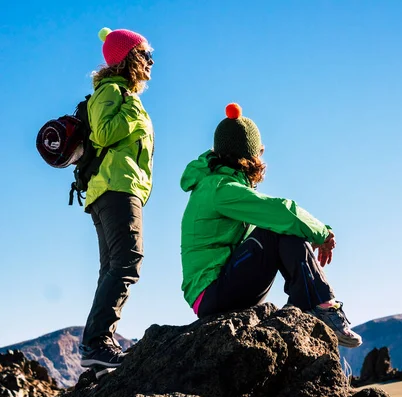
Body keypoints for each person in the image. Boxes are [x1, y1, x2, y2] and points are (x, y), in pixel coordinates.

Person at [180, 103, 362, 348]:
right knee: (278, 227)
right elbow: (281, 211)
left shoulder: (218, 185)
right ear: (251, 154)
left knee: (281, 227)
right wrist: (322, 232)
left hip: (218, 290)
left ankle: (309, 308)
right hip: (214, 293)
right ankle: (320, 306)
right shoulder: (220, 189)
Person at [79, 27, 155, 369]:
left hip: (115, 187)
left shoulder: (121, 93)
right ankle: (97, 342)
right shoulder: (112, 91)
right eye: (146, 55)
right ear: (130, 59)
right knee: (128, 260)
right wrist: (133, 111)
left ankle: (96, 347)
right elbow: (105, 132)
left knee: (113, 265)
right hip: (116, 187)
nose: (151, 62)